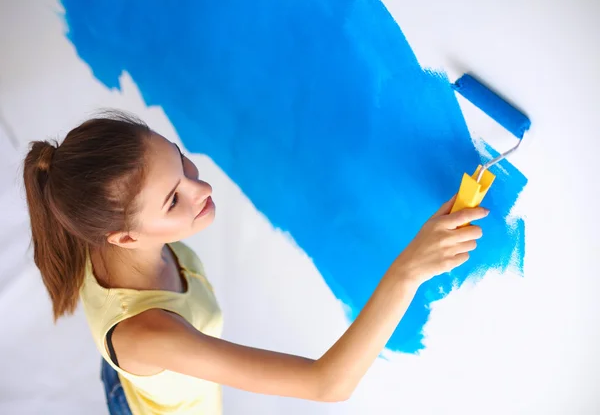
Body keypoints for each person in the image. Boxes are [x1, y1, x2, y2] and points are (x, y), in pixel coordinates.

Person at [22, 110, 488, 415]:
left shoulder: (91, 224)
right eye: (173, 200)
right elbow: (328, 384)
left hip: (135, 383)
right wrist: (409, 270)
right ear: (123, 237)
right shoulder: (151, 335)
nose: (200, 189)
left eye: (180, 161)